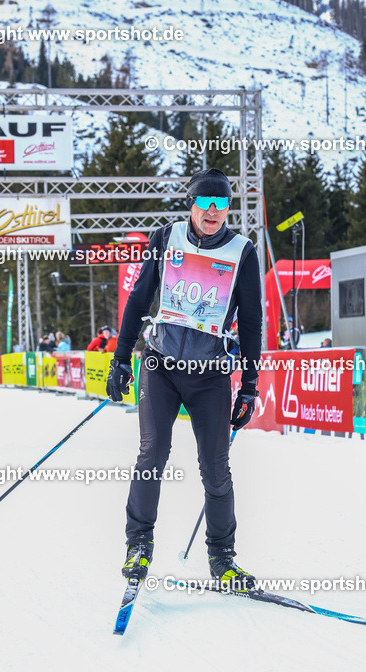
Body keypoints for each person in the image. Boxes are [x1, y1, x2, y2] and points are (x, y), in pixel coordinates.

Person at [105, 168, 263, 590]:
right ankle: (138, 545)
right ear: (191, 203)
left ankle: (222, 559)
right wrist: (121, 358)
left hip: (209, 374)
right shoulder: (165, 239)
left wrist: (249, 386)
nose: (213, 213)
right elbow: (140, 298)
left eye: (222, 205)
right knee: (152, 455)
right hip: (159, 366)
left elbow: (251, 322)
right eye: (206, 203)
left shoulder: (242, 251)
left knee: (215, 469)